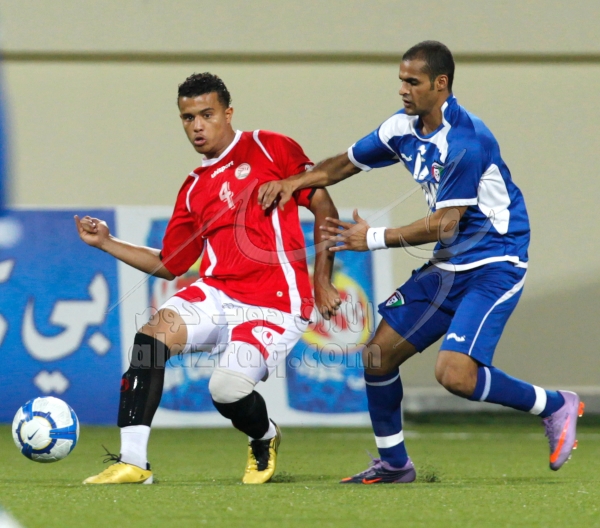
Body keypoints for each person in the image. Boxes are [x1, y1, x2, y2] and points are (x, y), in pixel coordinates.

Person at [258, 40, 584, 484]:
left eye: (412, 82)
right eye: (401, 80)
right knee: (377, 357)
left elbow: (446, 224)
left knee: (455, 375)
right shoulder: (401, 127)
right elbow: (343, 165)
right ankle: (394, 465)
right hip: (448, 265)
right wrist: (292, 182)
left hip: (495, 262)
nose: (403, 89)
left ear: (440, 84)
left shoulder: (466, 140)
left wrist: (372, 238)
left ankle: (555, 404)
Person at [75, 72, 340, 485]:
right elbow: (171, 264)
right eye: (188, 118)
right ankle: (133, 462)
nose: (197, 126)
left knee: (226, 390)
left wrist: (322, 278)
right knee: (149, 341)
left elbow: (324, 205)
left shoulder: (270, 146)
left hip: (276, 302)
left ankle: (264, 436)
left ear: (228, 113)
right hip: (217, 292)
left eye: (207, 114)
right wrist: (107, 243)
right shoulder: (194, 187)